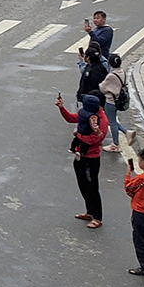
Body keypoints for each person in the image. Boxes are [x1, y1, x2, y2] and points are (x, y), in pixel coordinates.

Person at [57, 94, 108, 229]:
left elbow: (94, 139)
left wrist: (78, 135)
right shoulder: (87, 115)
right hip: (80, 156)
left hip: (91, 159)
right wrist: (62, 108)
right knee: (83, 185)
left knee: (92, 187)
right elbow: (71, 118)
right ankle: (90, 211)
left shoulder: (101, 120)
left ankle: (97, 217)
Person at [100, 54, 132, 152]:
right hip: (119, 100)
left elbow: (102, 87)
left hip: (111, 101)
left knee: (111, 122)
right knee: (112, 120)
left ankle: (115, 144)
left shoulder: (111, 76)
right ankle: (127, 132)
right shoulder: (122, 72)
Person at [124, 153, 144, 275]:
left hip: (141, 212)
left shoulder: (141, 179)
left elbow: (129, 189)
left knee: (140, 239)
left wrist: (128, 174)